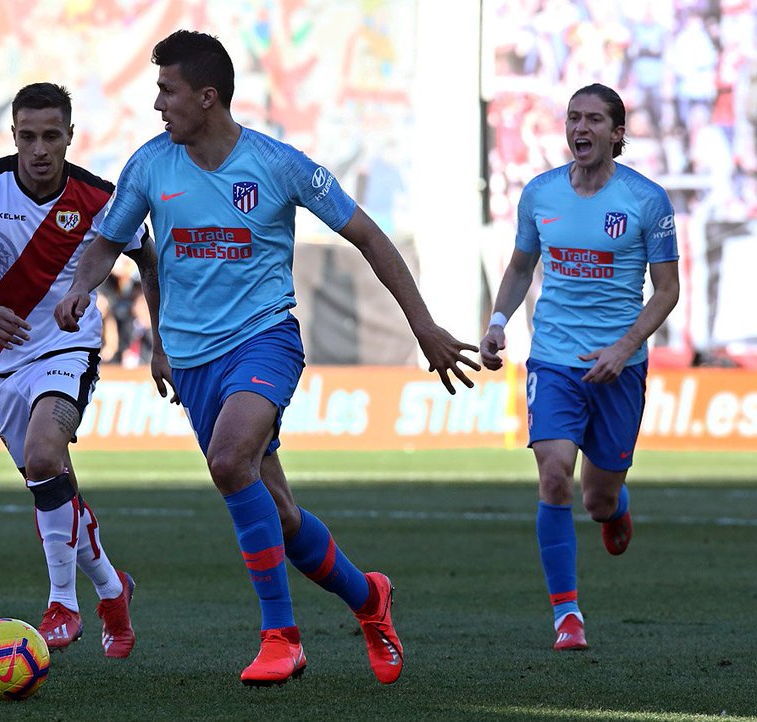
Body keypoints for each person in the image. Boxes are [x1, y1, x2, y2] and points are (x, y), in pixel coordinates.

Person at [55, 30, 480, 687]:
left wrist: (422, 324)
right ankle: (370, 599)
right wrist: (83, 288)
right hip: (195, 364)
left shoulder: (279, 165)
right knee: (277, 512)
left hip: (263, 341)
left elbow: (366, 234)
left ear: (207, 97)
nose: (156, 105)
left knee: (229, 461)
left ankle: (281, 638)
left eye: (166, 91)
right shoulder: (148, 166)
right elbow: (107, 242)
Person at [0, 82, 163, 660]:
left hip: (67, 346)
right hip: (0, 360)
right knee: (52, 485)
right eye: (27, 136)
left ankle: (63, 605)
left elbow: (149, 259)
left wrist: (163, 344)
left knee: (46, 456)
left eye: (51, 136)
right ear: (13, 136)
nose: (39, 149)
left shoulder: (100, 198)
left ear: (70, 137)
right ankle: (111, 587)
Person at [479, 83, 679, 651]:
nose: (580, 128)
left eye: (593, 119)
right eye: (573, 118)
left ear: (618, 134)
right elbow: (521, 267)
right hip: (555, 360)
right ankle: (567, 614)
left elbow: (667, 290)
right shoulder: (539, 194)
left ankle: (615, 508)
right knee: (553, 474)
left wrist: (624, 348)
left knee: (597, 500)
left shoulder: (646, 200)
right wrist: (497, 321)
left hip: (620, 366)